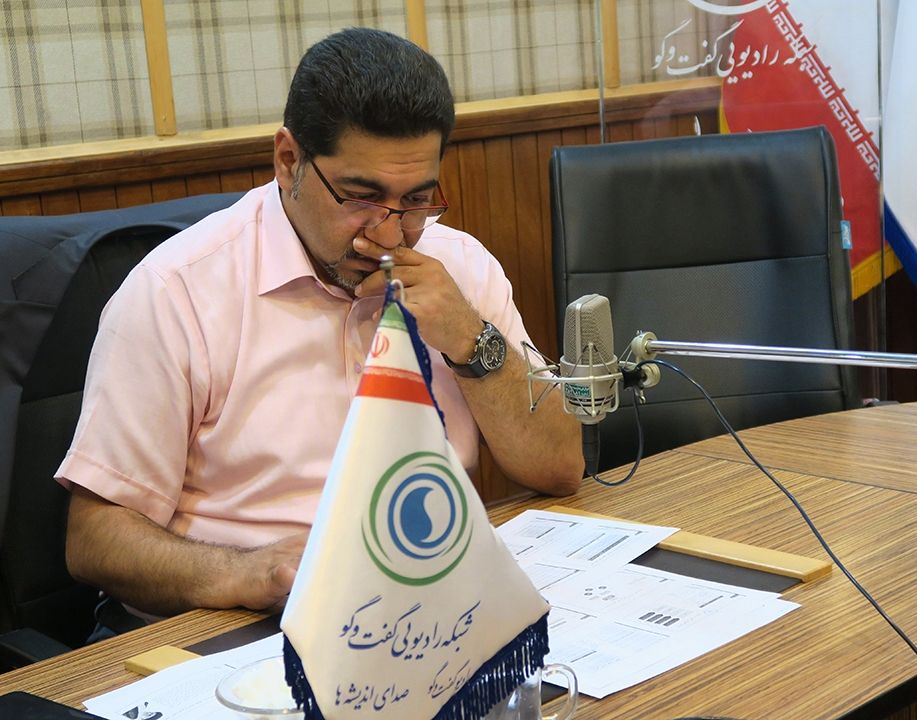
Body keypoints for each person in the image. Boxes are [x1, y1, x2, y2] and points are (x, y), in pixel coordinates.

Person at [57, 27, 583, 623]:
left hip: (427, 604)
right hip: (242, 622)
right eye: (360, 197)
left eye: (416, 200)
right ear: (289, 161)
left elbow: (560, 468)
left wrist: (470, 338)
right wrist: (247, 571)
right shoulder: (176, 291)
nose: (389, 233)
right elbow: (94, 538)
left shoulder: (459, 266)